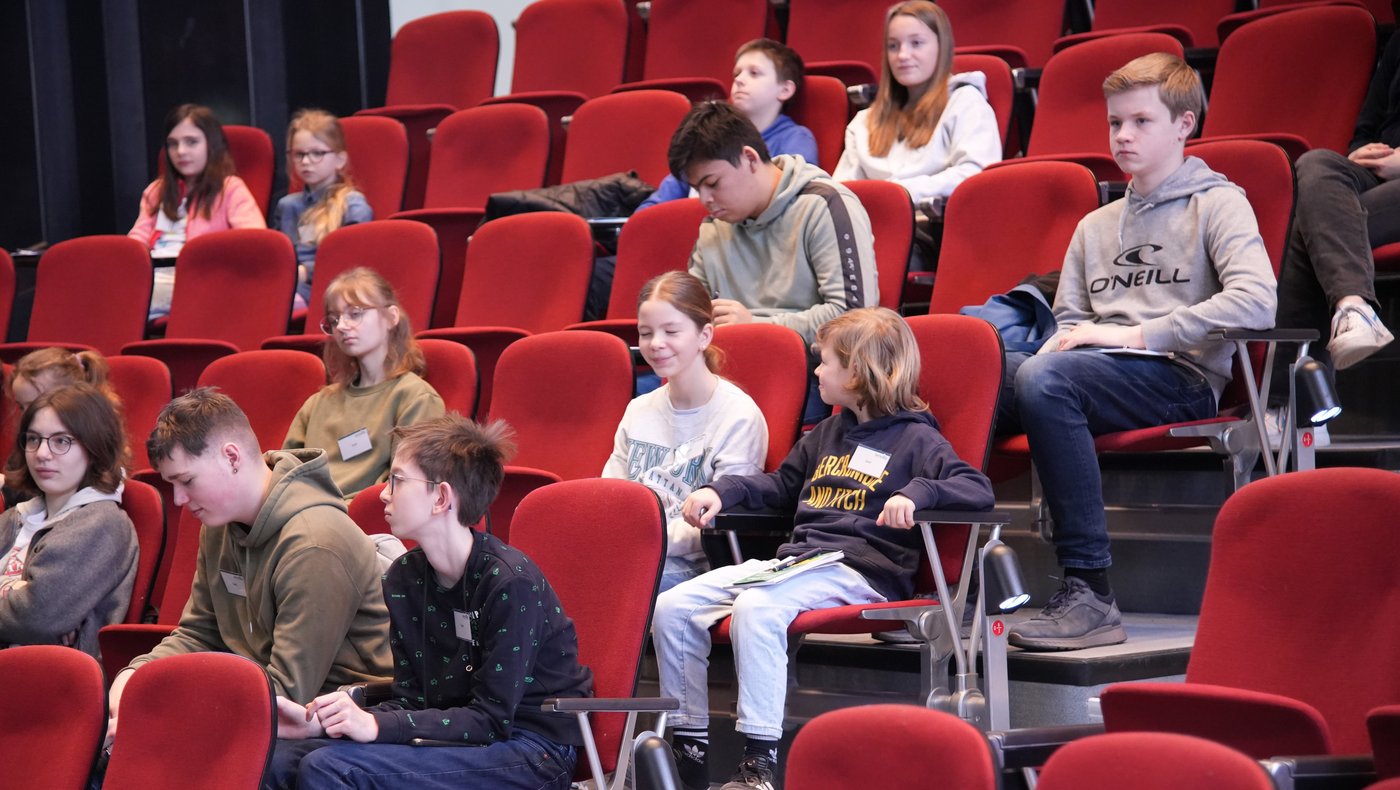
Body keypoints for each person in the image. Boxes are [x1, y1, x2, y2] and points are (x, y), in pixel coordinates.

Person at [998, 53, 1276, 651]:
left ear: (1183, 124)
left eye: (1140, 121)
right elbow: (1071, 321)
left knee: (1047, 381)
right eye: (1114, 123)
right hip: (1095, 371)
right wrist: (1084, 340)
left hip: (1180, 375)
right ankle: (922, 572)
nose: (1122, 135)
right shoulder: (1095, 225)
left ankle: (1091, 592)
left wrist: (1136, 336)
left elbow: (1257, 303)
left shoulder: (1218, 204)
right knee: (977, 375)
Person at [653, 307, 994, 790]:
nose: (816, 371)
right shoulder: (827, 434)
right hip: (799, 563)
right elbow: (779, 486)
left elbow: (975, 487)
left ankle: (758, 765)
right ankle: (689, 753)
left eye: (825, 362)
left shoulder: (919, 438)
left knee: (757, 607)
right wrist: (722, 491)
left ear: (858, 373)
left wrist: (916, 494)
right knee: (672, 607)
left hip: (861, 571)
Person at [266, 414, 591, 790]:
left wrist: (374, 725)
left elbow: (490, 719)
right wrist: (325, 721)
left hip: (532, 748)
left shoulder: (508, 583)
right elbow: (411, 701)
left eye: (397, 480)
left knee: (330, 768)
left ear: (440, 497)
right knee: (279, 758)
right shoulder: (404, 577)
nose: (384, 493)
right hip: (457, 734)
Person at [105, 388, 391, 749]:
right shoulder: (218, 526)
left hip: (331, 725)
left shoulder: (316, 543)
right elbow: (199, 634)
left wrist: (165, 709)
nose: (179, 500)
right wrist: (136, 675)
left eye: (187, 481)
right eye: (171, 485)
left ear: (231, 457)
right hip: (262, 704)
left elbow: (287, 694)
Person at [678, 101, 879, 422]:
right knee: (638, 398)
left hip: (812, 376)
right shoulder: (712, 229)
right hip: (724, 372)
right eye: (696, 188)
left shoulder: (825, 205)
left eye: (712, 183)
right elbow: (691, 317)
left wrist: (757, 330)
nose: (704, 200)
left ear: (750, 158)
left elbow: (855, 318)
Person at [602, 272, 768, 591]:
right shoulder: (639, 409)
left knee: (605, 584)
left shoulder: (738, 415)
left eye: (671, 331)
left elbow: (720, 521)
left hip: (696, 568)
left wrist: (641, 540)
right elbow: (612, 496)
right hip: (632, 555)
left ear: (704, 335)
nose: (656, 344)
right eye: (646, 333)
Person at [1270, 32, 1400, 397]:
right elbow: (1366, 129)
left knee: (1311, 226)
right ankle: (1354, 307)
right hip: (1380, 172)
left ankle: (1294, 404)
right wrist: (1363, 153)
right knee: (1316, 163)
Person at [832, 0, 1001, 267]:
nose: (902, 55)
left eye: (916, 43)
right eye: (893, 46)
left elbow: (976, 175)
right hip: (869, 230)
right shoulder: (864, 121)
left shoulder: (965, 102)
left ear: (940, 47)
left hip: (930, 233)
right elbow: (841, 190)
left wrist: (899, 193)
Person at [283, 267, 445, 501]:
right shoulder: (318, 403)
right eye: (334, 319)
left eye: (355, 314)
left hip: (361, 523)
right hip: (304, 514)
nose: (341, 326)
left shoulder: (415, 398)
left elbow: (406, 488)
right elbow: (284, 474)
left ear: (391, 317)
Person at [0, 384, 137, 660]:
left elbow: (38, 617)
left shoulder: (100, 522)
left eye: (61, 441)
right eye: (34, 439)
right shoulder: (21, 515)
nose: (42, 453)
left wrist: (30, 612)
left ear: (94, 447)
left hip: (45, 680)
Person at [637, 38, 819, 212]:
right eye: (736, 74)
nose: (739, 79)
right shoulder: (709, 136)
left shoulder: (796, 138)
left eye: (754, 73)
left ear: (785, 89)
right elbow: (658, 203)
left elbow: (795, 198)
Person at [128, 103, 266, 318]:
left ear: (211, 145)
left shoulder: (230, 188)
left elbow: (256, 244)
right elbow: (135, 242)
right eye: (173, 144)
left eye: (191, 142)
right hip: (153, 276)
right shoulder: (156, 191)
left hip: (203, 279)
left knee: (123, 305)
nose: (180, 151)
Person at [275, 109, 373, 308]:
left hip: (329, 290)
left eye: (317, 153)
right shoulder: (287, 205)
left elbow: (351, 262)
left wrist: (305, 272)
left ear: (340, 159)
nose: (306, 161)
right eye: (299, 154)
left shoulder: (352, 205)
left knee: (274, 305)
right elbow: (278, 257)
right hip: (288, 285)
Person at [8, 348, 119, 412]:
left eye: (35, 406)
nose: (25, 417)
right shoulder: (27, 440)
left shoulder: (90, 445)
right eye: (21, 407)